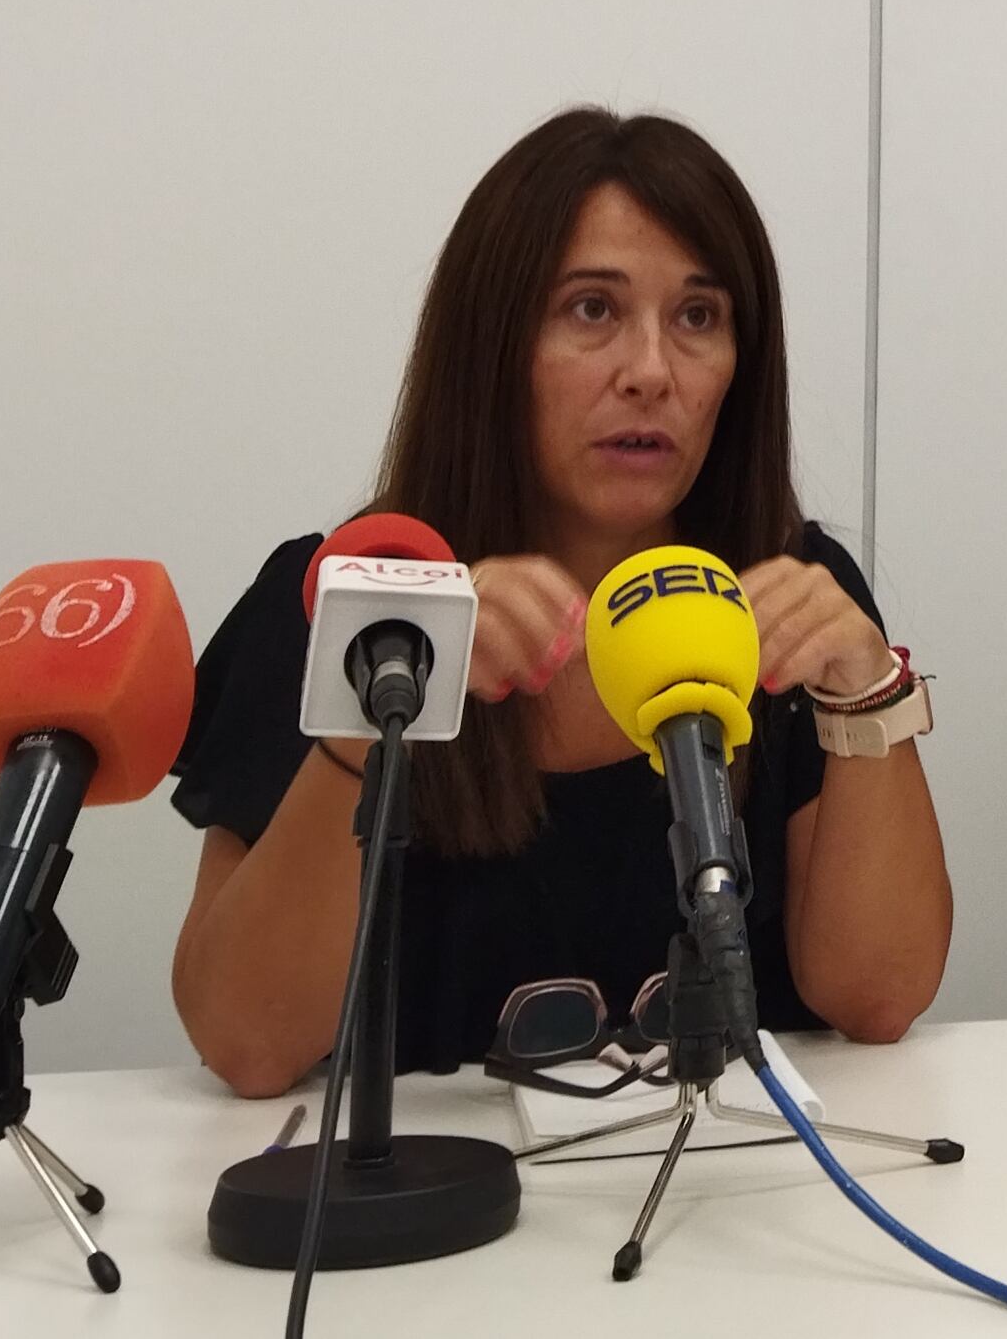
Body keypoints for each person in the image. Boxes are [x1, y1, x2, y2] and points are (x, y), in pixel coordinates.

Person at [169, 109, 951, 1096]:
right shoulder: (349, 599)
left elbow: (877, 1000)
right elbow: (247, 1043)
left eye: (699, 318)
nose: (651, 371)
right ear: (492, 342)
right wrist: (384, 709)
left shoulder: (786, 592)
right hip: (435, 1212)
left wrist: (864, 692)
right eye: (591, 310)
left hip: (720, 1205)